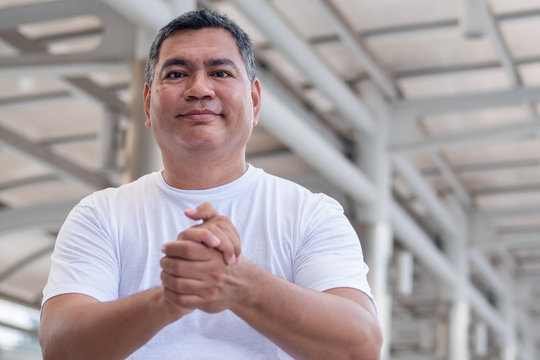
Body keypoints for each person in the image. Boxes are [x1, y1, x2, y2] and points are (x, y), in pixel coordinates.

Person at [39, 8, 382, 360]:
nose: (199, 88)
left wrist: (240, 283)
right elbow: (59, 346)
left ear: (254, 100)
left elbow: (359, 347)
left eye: (220, 72)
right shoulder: (101, 215)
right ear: (147, 102)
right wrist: (168, 299)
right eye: (176, 74)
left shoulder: (310, 214)